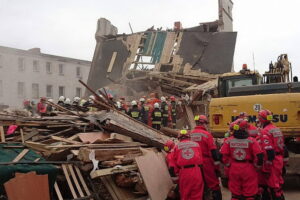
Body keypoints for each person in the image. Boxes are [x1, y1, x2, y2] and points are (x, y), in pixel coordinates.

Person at [220, 119, 263, 200]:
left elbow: (222, 155)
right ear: (246, 129)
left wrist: (228, 164)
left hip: (234, 168)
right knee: (249, 194)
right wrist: (257, 166)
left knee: (235, 194)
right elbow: (260, 156)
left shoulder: (229, 141)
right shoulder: (252, 141)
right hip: (249, 168)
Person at [191, 115, 222, 200]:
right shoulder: (207, 135)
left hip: (194, 163)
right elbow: (213, 150)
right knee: (214, 184)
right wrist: (216, 163)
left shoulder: (191, 134)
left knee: (198, 185)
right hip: (206, 162)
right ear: (203, 123)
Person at [258, 110, 287, 200]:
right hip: (279, 159)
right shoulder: (276, 129)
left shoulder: (265, 131)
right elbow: (283, 146)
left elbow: (269, 152)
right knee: (277, 185)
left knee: (274, 187)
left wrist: (267, 167)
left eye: (259, 117)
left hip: (272, 161)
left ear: (262, 119)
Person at [172, 129, 204, 200]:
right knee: (197, 194)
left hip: (184, 173)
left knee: (185, 194)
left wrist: (177, 175)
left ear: (179, 138)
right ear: (189, 137)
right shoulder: (196, 144)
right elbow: (201, 161)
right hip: (196, 171)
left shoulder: (176, 147)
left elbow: (174, 163)